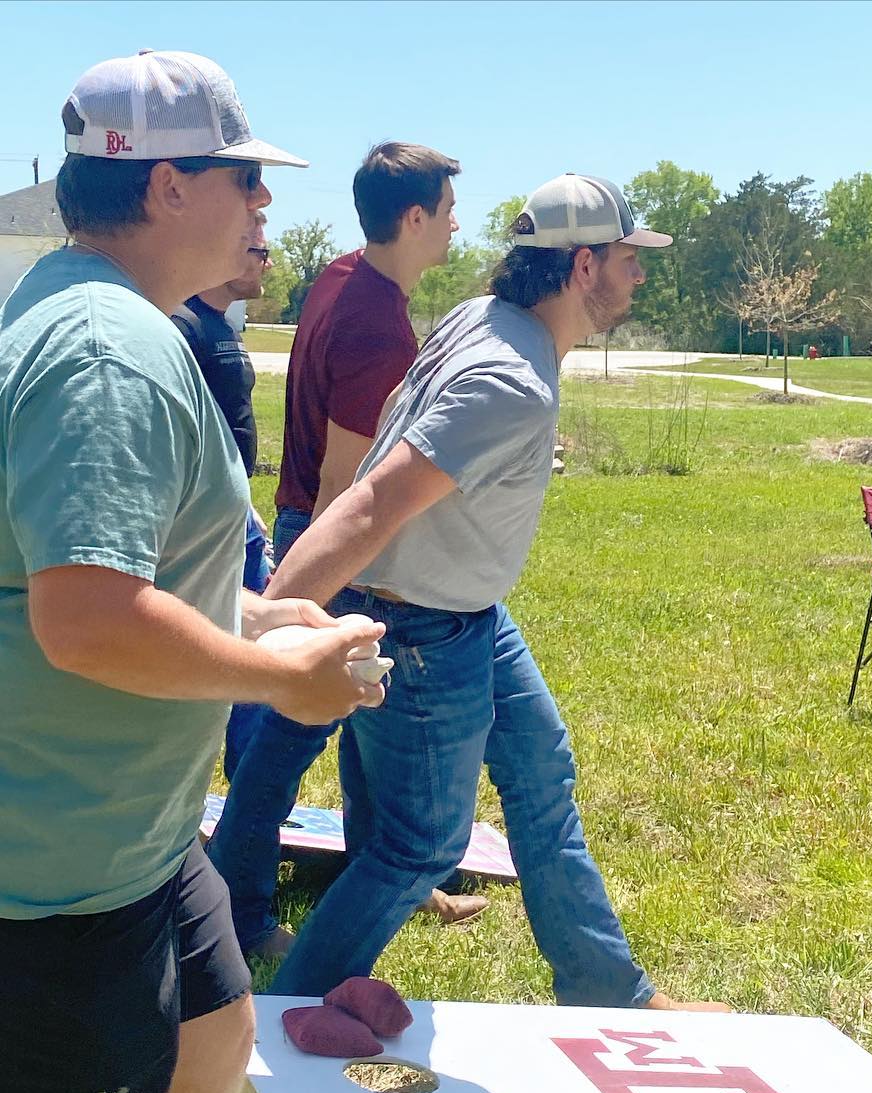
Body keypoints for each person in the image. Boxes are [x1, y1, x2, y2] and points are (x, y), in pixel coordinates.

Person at [0, 51, 380, 1093]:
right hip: (45, 870)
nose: (262, 211)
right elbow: (87, 618)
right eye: (244, 182)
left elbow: (129, 569)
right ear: (168, 183)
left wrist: (253, 609)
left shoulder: (105, 315)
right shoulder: (110, 350)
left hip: (137, 844)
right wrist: (273, 676)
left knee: (211, 1047)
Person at [262, 173, 726, 1011]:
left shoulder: (486, 318)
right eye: (629, 258)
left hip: (469, 612)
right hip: (422, 627)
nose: (640, 275)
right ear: (583, 267)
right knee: (417, 846)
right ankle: (269, 1037)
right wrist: (261, 625)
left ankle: (603, 990)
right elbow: (370, 503)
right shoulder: (508, 378)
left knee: (540, 771)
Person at [207, 141, 486, 956]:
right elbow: (346, 483)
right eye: (445, 210)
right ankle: (243, 913)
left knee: (370, 712)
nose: (455, 225)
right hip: (333, 546)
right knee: (286, 734)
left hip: (312, 529)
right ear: (413, 217)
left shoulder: (342, 276)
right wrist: (327, 596)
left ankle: (388, 873)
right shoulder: (376, 328)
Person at [172, 228, 275, 776]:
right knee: (243, 654)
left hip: (238, 514)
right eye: (258, 251)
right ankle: (244, 798)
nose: (267, 263)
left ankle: (244, 789)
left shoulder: (219, 324)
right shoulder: (183, 326)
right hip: (207, 524)